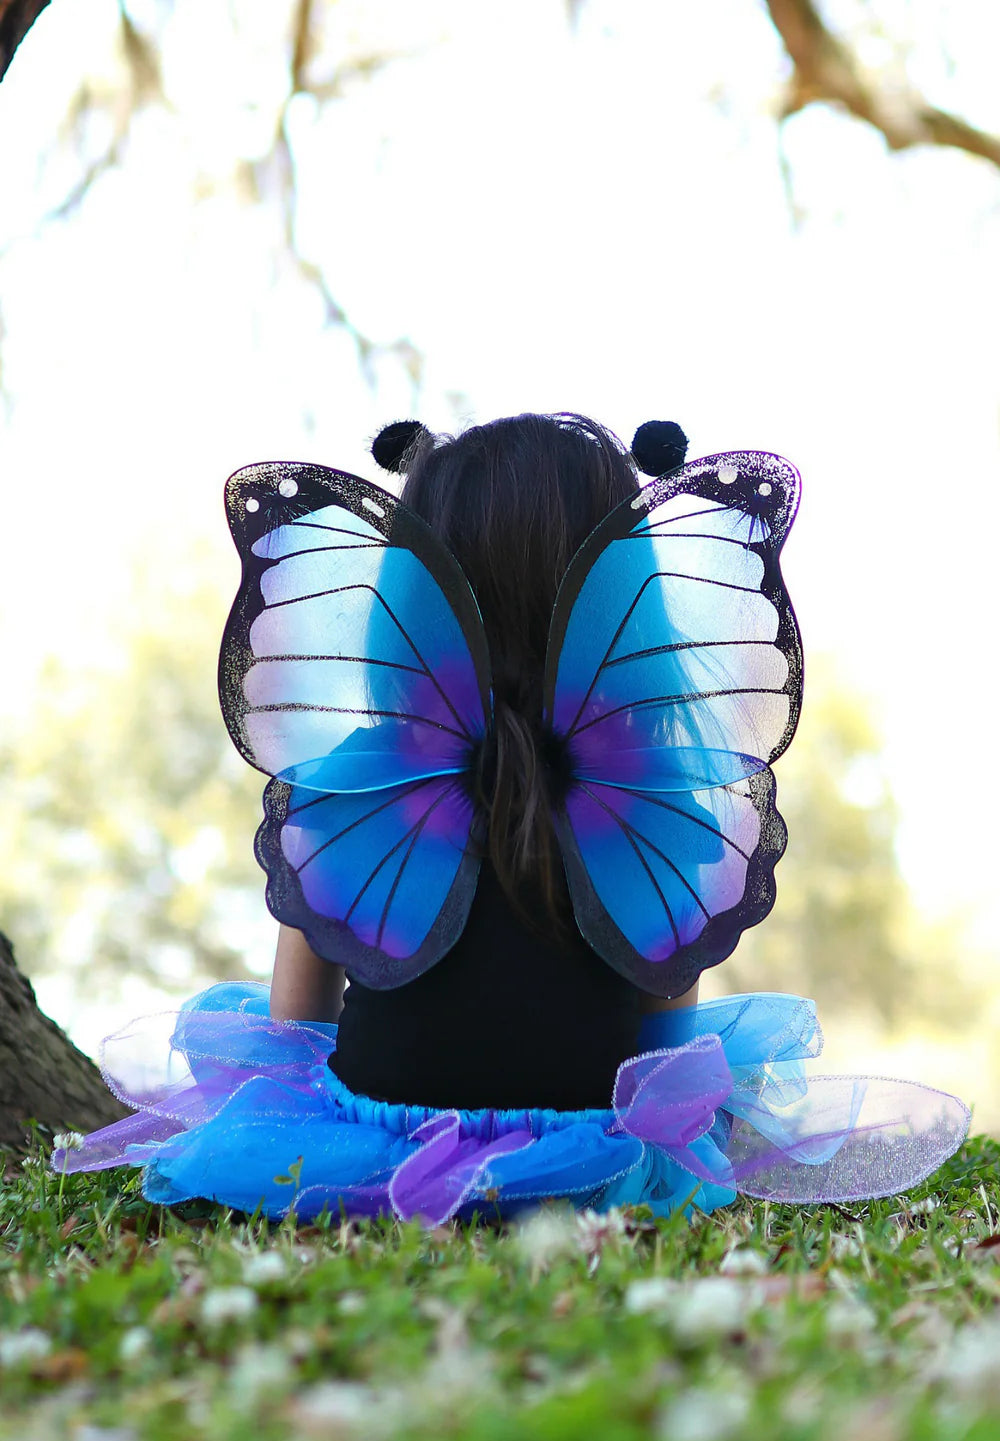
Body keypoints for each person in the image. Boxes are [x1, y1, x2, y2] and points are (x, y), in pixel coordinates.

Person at [57, 414, 969, 1225]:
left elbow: (295, 1029)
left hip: (372, 1147)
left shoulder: (353, 784)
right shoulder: (656, 799)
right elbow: (663, 1053)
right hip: (598, 1152)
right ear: (625, 591)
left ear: (411, 590)